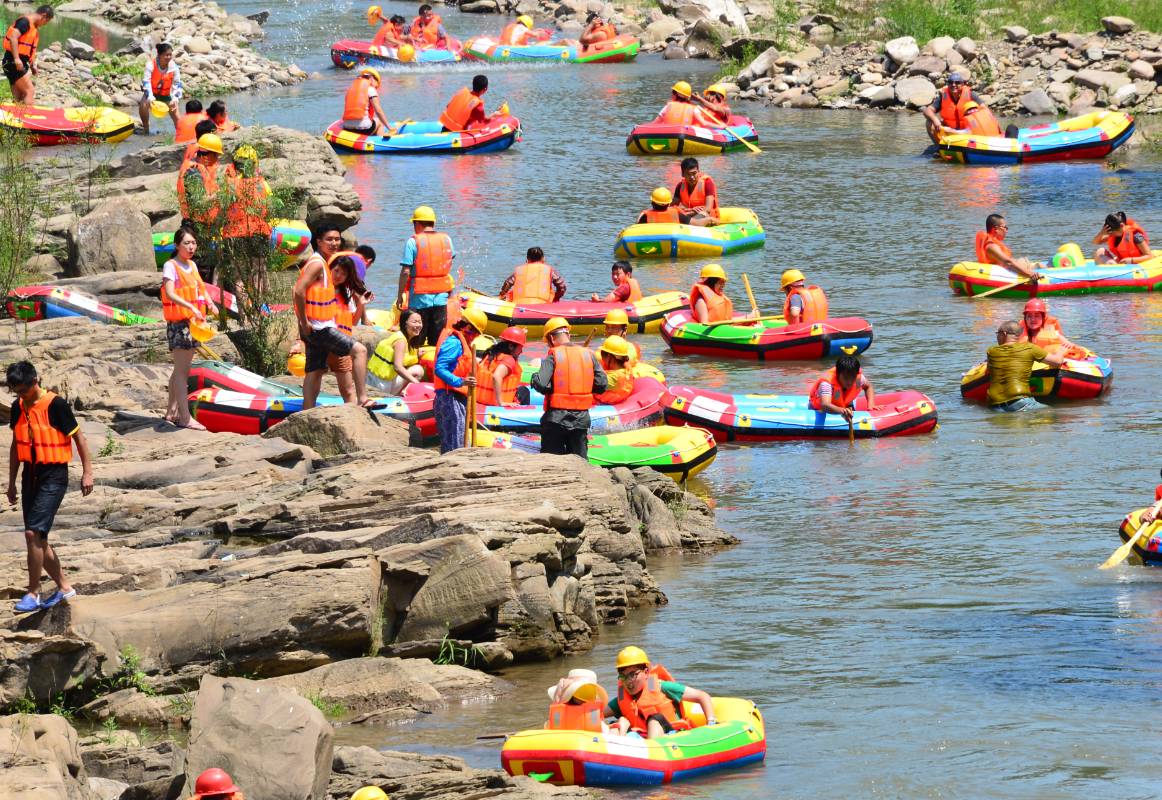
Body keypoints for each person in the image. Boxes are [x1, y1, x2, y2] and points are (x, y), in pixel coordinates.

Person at [6, 361, 93, 615]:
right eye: (16, 392)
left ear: (35, 382)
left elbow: (78, 437)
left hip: (54, 475)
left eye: (23, 390)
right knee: (40, 539)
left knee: (33, 534)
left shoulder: (56, 404)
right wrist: (11, 482)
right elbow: (15, 446)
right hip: (30, 475)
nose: (20, 396)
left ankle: (33, 592)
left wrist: (87, 472)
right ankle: (65, 587)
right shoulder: (17, 407)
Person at [294, 226, 372, 410]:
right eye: (329, 239)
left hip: (316, 327)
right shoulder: (317, 264)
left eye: (337, 239)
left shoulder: (323, 264)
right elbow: (298, 290)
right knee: (360, 351)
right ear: (319, 241)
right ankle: (362, 399)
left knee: (315, 372)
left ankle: (308, 412)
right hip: (320, 328)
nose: (334, 243)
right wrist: (304, 322)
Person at [161, 227, 217, 429]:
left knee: (179, 370)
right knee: (182, 372)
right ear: (177, 245)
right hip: (179, 324)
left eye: (193, 243)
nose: (191, 247)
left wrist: (210, 303)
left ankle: (171, 411)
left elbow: (202, 288)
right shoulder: (170, 266)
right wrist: (191, 306)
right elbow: (170, 292)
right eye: (187, 243)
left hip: (193, 323)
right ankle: (185, 418)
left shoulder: (192, 265)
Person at [530, 317, 607, 459]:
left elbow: (541, 384)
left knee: (552, 461)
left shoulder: (554, 355)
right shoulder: (589, 354)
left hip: (556, 419)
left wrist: (534, 378)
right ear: (568, 335)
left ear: (552, 338)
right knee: (580, 461)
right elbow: (602, 385)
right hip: (582, 419)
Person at [605, 646, 716, 739]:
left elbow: (702, 696)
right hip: (642, 737)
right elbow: (599, 714)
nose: (628, 681)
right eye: (623, 676)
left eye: (633, 674)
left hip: (671, 735)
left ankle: (652, 756)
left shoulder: (663, 687)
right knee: (618, 724)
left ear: (646, 672)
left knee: (654, 720)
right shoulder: (622, 698)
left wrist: (711, 724)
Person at [395, 205, 455, 346]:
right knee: (436, 342)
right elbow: (448, 261)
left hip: (419, 298)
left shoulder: (412, 242)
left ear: (417, 223)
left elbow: (405, 272)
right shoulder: (446, 240)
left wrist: (399, 296)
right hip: (441, 298)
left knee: (416, 339)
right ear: (433, 223)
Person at [433, 307, 488, 453]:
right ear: (468, 327)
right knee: (455, 444)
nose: (475, 336)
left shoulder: (461, 342)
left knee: (460, 440)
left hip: (456, 397)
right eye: (475, 332)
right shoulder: (454, 342)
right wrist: (461, 381)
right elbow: (439, 368)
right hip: (449, 397)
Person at [221, 145, 272, 295]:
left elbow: (222, 207)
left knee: (239, 277)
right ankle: (258, 311)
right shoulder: (262, 184)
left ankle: (244, 318)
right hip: (258, 232)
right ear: (254, 164)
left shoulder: (230, 185)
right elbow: (268, 208)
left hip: (235, 234)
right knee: (258, 273)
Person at [984, 320, 1066, 412]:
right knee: (1054, 415)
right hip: (1021, 403)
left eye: (997, 333)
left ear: (1004, 333)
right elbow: (1058, 361)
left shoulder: (991, 351)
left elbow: (988, 371)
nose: (997, 336)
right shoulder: (1029, 348)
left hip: (994, 406)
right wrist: (1061, 351)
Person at [177, 133, 224, 280]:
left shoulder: (200, 170)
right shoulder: (193, 172)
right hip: (196, 228)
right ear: (205, 154)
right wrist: (221, 195)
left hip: (203, 227)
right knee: (201, 268)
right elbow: (198, 202)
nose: (217, 159)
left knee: (206, 266)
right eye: (215, 155)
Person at [329, 253, 375, 402]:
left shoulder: (345, 293)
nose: (338, 276)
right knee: (314, 378)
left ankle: (355, 413)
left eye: (343, 274)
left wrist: (361, 303)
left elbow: (354, 322)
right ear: (330, 269)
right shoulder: (321, 289)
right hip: (324, 340)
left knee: (348, 391)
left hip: (341, 342)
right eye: (336, 271)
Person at [3, 6, 53, 105]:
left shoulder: (33, 26)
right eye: (46, 22)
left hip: (12, 62)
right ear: (44, 16)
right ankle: (27, 116)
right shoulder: (25, 22)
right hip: (14, 62)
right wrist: (17, 59)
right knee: (29, 91)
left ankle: (15, 117)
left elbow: (28, 49)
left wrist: (32, 64)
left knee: (19, 95)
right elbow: (13, 37)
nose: (44, 24)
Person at [368, 307, 425, 395]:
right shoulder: (401, 341)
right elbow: (398, 367)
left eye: (420, 322)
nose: (418, 325)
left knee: (413, 368)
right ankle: (399, 394)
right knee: (418, 370)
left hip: (374, 381)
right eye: (414, 322)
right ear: (405, 323)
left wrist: (416, 357)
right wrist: (416, 382)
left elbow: (403, 359)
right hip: (382, 385)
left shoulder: (398, 335)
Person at [974, 214, 1044, 281]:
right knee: (1039, 265)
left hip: (1011, 269)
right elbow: (1008, 262)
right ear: (996, 228)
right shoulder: (991, 246)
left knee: (1038, 264)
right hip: (1010, 273)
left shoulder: (991, 244)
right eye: (1005, 227)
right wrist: (1030, 274)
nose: (1006, 230)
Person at [921, 72, 986, 143]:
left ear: (962, 84)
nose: (953, 85)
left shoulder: (971, 95)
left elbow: (984, 109)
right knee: (929, 122)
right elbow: (927, 110)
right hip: (950, 131)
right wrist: (935, 120)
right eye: (950, 82)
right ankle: (938, 147)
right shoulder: (943, 96)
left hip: (968, 131)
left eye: (957, 82)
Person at [808, 354, 876, 421]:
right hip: (820, 409)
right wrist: (843, 411)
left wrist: (871, 405)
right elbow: (825, 405)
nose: (849, 382)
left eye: (853, 377)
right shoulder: (827, 383)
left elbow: (868, 387)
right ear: (838, 374)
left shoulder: (858, 379)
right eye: (846, 378)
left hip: (842, 405)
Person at [545, 668, 611, 734]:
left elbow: (548, 729)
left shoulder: (557, 713)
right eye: (583, 692)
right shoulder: (594, 715)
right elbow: (605, 733)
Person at [138, 42, 182, 135]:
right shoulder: (150, 65)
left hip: (166, 95)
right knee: (143, 104)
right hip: (152, 95)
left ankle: (181, 134)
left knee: (176, 112)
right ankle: (146, 129)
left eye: (170, 55)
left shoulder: (173, 66)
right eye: (166, 55)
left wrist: (175, 98)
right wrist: (150, 97)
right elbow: (146, 82)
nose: (169, 57)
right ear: (159, 55)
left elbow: (177, 84)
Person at [476, 326, 525, 407]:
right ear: (511, 346)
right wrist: (501, 402)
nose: (522, 351)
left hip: (479, 400)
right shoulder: (509, 359)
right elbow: (496, 376)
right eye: (520, 348)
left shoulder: (491, 354)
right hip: (494, 405)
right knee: (524, 392)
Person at [500, 247, 566, 304]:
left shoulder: (519, 270)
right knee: (551, 294)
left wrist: (502, 296)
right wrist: (556, 298)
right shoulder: (549, 270)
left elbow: (507, 283)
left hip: (519, 304)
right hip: (542, 305)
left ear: (527, 259)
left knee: (509, 295)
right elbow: (562, 287)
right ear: (543, 259)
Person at [670, 158, 720, 225]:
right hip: (690, 216)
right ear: (683, 174)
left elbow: (708, 209)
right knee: (673, 215)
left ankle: (691, 224)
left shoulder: (707, 183)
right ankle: (689, 223)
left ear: (698, 171)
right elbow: (672, 207)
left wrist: (690, 212)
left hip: (706, 215)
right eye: (688, 174)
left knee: (702, 214)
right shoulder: (680, 186)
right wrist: (684, 210)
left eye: (694, 173)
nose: (692, 177)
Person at [342, 67, 390, 135]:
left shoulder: (350, 89)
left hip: (346, 127)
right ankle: (381, 142)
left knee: (372, 119)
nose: (376, 87)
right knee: (379, 122)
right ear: (372, 79)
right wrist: (389, 127)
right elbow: (378, 111)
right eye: (377, 84)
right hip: (363, 129)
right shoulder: (370, 89)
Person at [636, 188, 709, 227]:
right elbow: (698, 224)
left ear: (652, 202)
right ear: (668, 204)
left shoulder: (646, 216)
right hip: (675, 238)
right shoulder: (676, 214)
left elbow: (636, 228)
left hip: (654, 241)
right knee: (703, 214)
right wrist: (710, 219)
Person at [595, 336, 634, 405]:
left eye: (603, 354)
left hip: (604, 405)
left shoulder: (614, 377)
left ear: (609, 357)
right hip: (617, 399)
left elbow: (592, 385)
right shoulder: (626, 370)